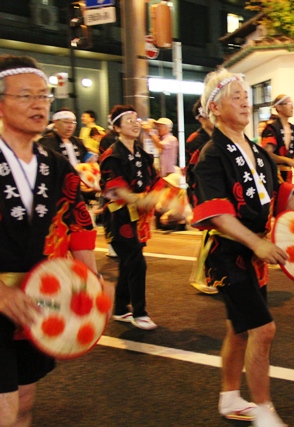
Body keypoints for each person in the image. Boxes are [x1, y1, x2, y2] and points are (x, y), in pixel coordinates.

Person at [189, 69, 294, 426]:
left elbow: (279, 195)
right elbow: (215, 213)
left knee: (240, 328)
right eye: (236, 97)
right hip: (229, 254)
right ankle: (264, 410)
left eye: (246, 96)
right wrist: (257, 242)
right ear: (215, 107)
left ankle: (229, 397)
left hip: (254, 253)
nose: (246, 103)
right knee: (263, 329)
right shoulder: (211, 155)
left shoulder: (257, 151)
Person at [0, 55, 112, 427]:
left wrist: (91, 282)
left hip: (36, 302)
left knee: (25, 401)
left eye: (45, 97)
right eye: (26, 96)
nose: (39, 104)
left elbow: (77, 222)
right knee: (5, 407)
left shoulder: (55, 164)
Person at [100, 105, 164, 331]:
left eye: (136, 119)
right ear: (116, 128)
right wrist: (138, 199)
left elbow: (156, 179)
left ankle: (119, 308)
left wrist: (160, 194)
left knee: (129, 263)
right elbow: (115, 188)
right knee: (137, 262)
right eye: (128, 120)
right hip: (120, 219)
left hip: (140, 218)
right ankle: (139, 312)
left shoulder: (142, 154)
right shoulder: (112, 156)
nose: (135, 123)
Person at [185, 100, 217, 294]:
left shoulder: (219, 136)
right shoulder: (195, 140)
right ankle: (203, 277)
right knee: (209, 233)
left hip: (216, 190)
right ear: (201, 117)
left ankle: (210, 275)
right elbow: (196, 171)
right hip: (202, 191)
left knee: (214, 233)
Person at [261, 94, 294, 182]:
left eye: (292, 104)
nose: (292, 107)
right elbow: (267, 153)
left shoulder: (293, 129)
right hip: (274, 174)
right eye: (289, 103)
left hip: (288, 175)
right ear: (278, 107)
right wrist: (286, 160)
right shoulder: (271, 128)